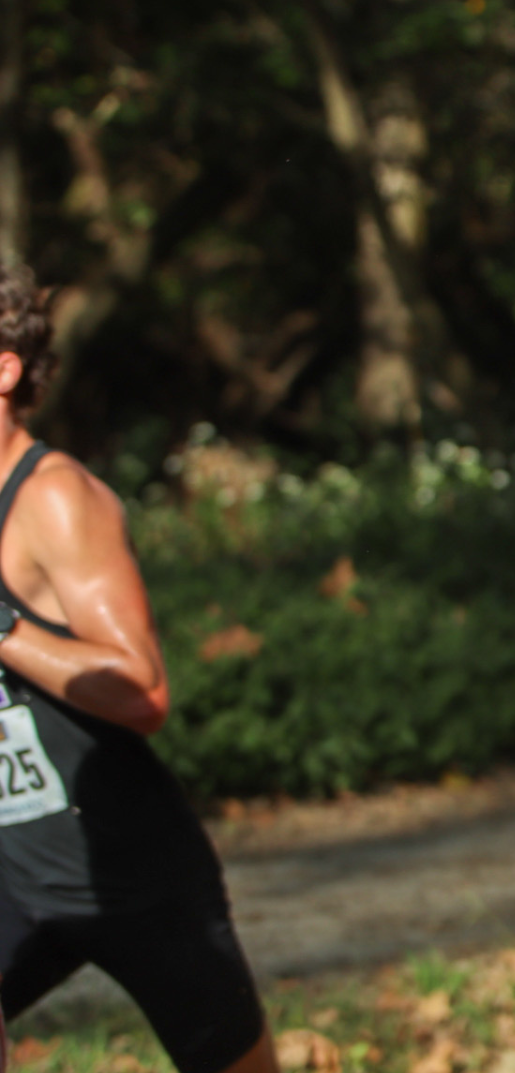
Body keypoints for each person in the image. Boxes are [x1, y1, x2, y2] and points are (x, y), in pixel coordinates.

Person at [0, 264, 277, 1073]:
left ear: (5, 367)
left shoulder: (55, 499)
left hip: (127, 867)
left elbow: (141, 688)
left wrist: (6, 629)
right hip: (13, 869)